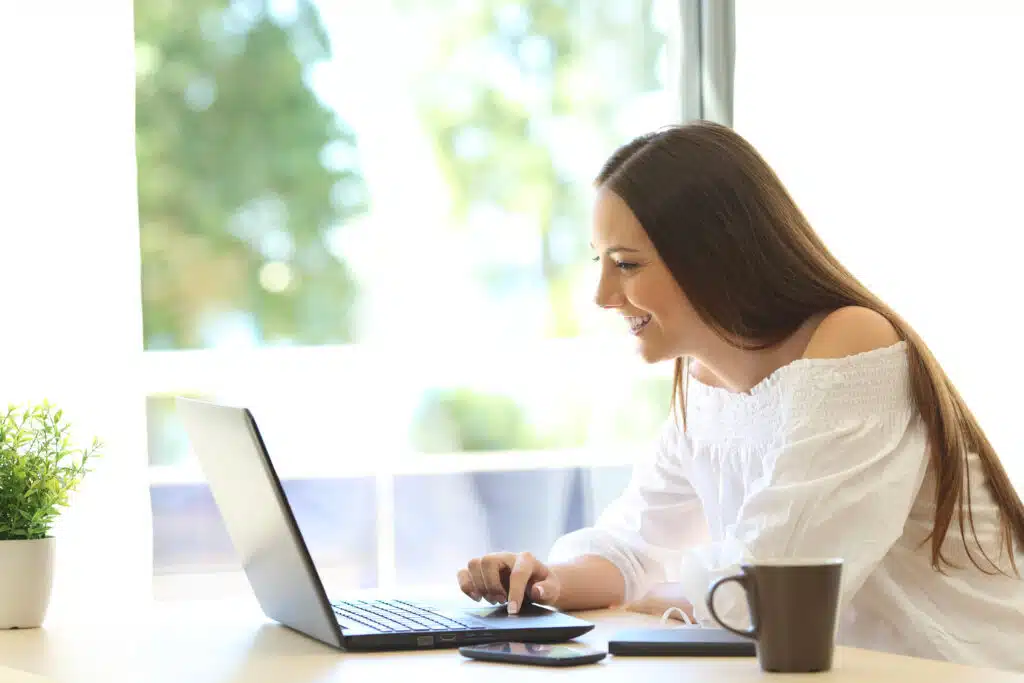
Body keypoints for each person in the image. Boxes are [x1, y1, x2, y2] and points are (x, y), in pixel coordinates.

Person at [455, 121, 1024, 670]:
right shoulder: (703, 381)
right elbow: (636, 542)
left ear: (714, 256)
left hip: (959, 669)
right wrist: (545, 579)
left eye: (626, 264)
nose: (603, 295)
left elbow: (776, 585)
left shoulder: (853, 344)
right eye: (599, 262)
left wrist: (673, 597)